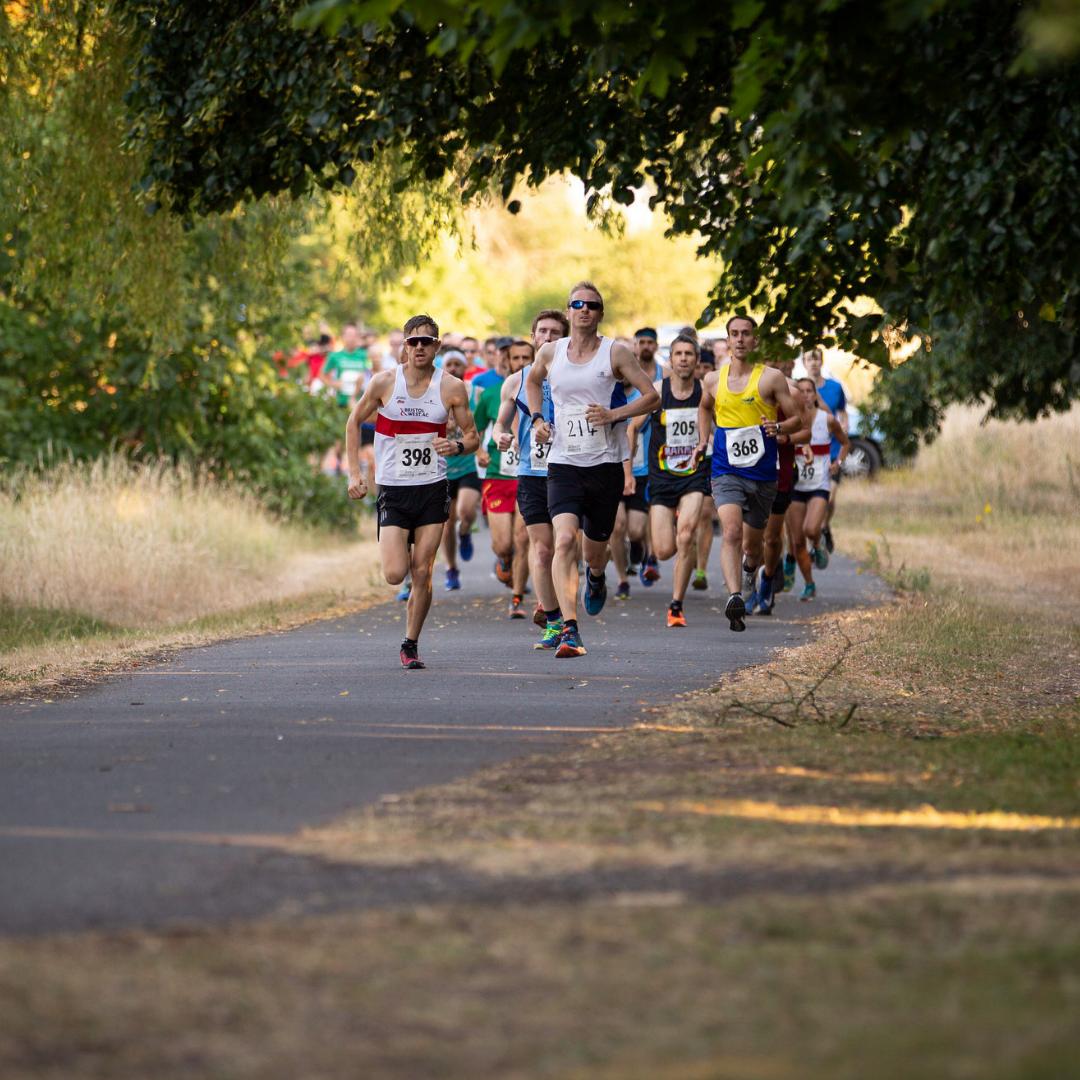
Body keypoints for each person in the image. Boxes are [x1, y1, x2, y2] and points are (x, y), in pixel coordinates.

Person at [527, 282, 659, 658]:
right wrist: (537, 418)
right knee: (563, 541)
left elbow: (652, 396)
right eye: (578, 304)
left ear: (600, 313)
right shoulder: (551, 352)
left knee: (594, 552)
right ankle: (570, 629)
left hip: (604, 464)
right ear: (569, 310)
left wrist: (614, 414)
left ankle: (597, 577)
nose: (584, 309)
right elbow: (533, 381)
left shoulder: (615, 352)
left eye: (592, 305)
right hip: (563, 462)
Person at [345, 315, 479, 669]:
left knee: (423, 571)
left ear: (437, 346)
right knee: (394, 573)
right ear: (404, 346)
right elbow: (353, 422)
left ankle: (410, 643)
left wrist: (457, 447)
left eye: (426, 341)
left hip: (432, 487)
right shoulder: (384, 382)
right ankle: (401, 556)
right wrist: (354, 474)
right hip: (394, 488)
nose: (419, 347)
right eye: (413, 341)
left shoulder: (451, 387)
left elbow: (472, 437)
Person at [695, 315, 802, 632]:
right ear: (727, 340)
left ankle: (749, 571)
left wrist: (778, 427)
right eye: (734, 334)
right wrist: (703, 439)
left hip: (763, 474)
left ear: (755, 341)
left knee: (753, 548)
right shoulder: (713, 379)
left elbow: (797, 420)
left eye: (746, 334)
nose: (740, 339)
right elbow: (704, 407)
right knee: (730, 532)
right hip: (725, 469)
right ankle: (734, 596)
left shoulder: (771, 378)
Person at [492, 310, 570, 643]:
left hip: (570, 471)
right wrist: (500, 436)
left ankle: (573, 600)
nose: (548, 337)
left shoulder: (575, 377)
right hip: (531, 472)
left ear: (565, 338)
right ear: (533, 336)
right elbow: (499, 424)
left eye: (555, 332)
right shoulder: (516, 381)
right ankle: (553, 619)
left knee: (567, 545)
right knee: (541, 549)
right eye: (543, 331)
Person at [627, 334, 711, 627]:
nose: (684, 358)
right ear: (671, 359)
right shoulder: (657, 392)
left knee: (686, 535)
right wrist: (627, 471)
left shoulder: (705, 392)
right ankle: (680, 542)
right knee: (663, 550)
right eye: (679, 354)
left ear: (696, 360)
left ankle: (676, 606)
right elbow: (632, 428)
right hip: (662, 477)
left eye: (689, 353)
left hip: (694, 474)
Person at [473, 339, 531, 607]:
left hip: (528, 475)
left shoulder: (544, 390)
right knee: (503, 544)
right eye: (516, 358)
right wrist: (479, 452)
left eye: (526, 358)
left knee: (523, 537)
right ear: (507, 362)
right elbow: (474, 430)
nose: (520, 363)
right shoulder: (491, 394)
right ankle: (505, 560)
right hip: (498, 474)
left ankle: (517, 596)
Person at [752, 357, 812, 615]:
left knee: (771, 537)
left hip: (779, 472)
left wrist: (784, 437)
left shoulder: (793, 393)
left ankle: (767, 578)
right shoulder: (742, 386)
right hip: (746, 470)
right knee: (746, 537)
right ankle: (749, 587)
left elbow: (806, 432)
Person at [786, 377, 850, 600]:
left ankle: (818, 543)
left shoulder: (827, 419)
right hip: (796, 485)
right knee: (796, 541)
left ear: (815, 395)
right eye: (801, 391)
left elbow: (845, 442)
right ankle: (809, 584)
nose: (805, 395)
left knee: (811, 529)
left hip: (819, 484)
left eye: (808, 391)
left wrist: (837, 462)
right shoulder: (790, 421)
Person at [437, 349, 482, 591]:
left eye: (458, 364)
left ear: (466, 367)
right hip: (443, 468)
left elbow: (482, 425)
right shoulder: (435, 393)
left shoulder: (476, 393)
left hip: (468, 464)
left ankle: (465, 531)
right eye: (449, 364)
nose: (453, 368)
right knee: (446, 523)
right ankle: (451, 569)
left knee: (466, 511)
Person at [802, 348, 848, 552]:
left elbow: (842, 412)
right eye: (809, 359)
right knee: (810, 499)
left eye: (816, 359)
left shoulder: (835, 387)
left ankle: (824, 526)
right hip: (809, 452)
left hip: (832, 450)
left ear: (822, 361)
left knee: (830, 498)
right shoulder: (800, 389)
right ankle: (816, 533)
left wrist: (844, 426)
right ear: (803, 363)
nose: (813, 363)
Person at [692, 347, 718, 591]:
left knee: (705, 514)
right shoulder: (681, 389)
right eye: (699, 367)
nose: (701, 371)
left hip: (708, 457)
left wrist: (709, 437)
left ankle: (701, 569)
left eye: (706, 367)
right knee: (687, 518)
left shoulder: (717, 390)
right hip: (679, 461)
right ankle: (689, 551)